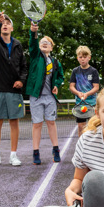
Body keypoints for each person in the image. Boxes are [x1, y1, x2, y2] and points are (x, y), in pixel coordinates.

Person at [0, 13, 27, 168]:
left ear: (12, 28)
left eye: (8, 23)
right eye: (3, 24)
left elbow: (23, 67)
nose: (5, 25)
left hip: (14, 90)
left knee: (14, 121)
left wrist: (21, 81)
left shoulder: (17, 45)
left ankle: (13, 155)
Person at [26, 23, 64, 165]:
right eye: (42, 42)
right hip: (36, 97)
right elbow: (33, 43)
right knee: (37, 124)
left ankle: (56, 149)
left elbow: (61, 76)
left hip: (50, 98)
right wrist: (33, 33)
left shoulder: (55, 62)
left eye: (47, 43)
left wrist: (56, 85)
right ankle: (36, 152)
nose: (44, 43)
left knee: (51, 122)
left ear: (51, 47)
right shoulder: (36, 57)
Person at [69, 45, 100, 137]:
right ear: (77, 58)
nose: (83, 59)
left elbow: (96, 87)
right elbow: (71, 86)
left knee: (93, 127)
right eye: (80, 57)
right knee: (81, 127)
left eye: (85, 57)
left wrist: (87, 94)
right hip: (80, 103)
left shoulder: (94, 71)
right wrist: (78, 93)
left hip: (92, 104)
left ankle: (93, 147)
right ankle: (81, 147)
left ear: (89, 58)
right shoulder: (75, 71)